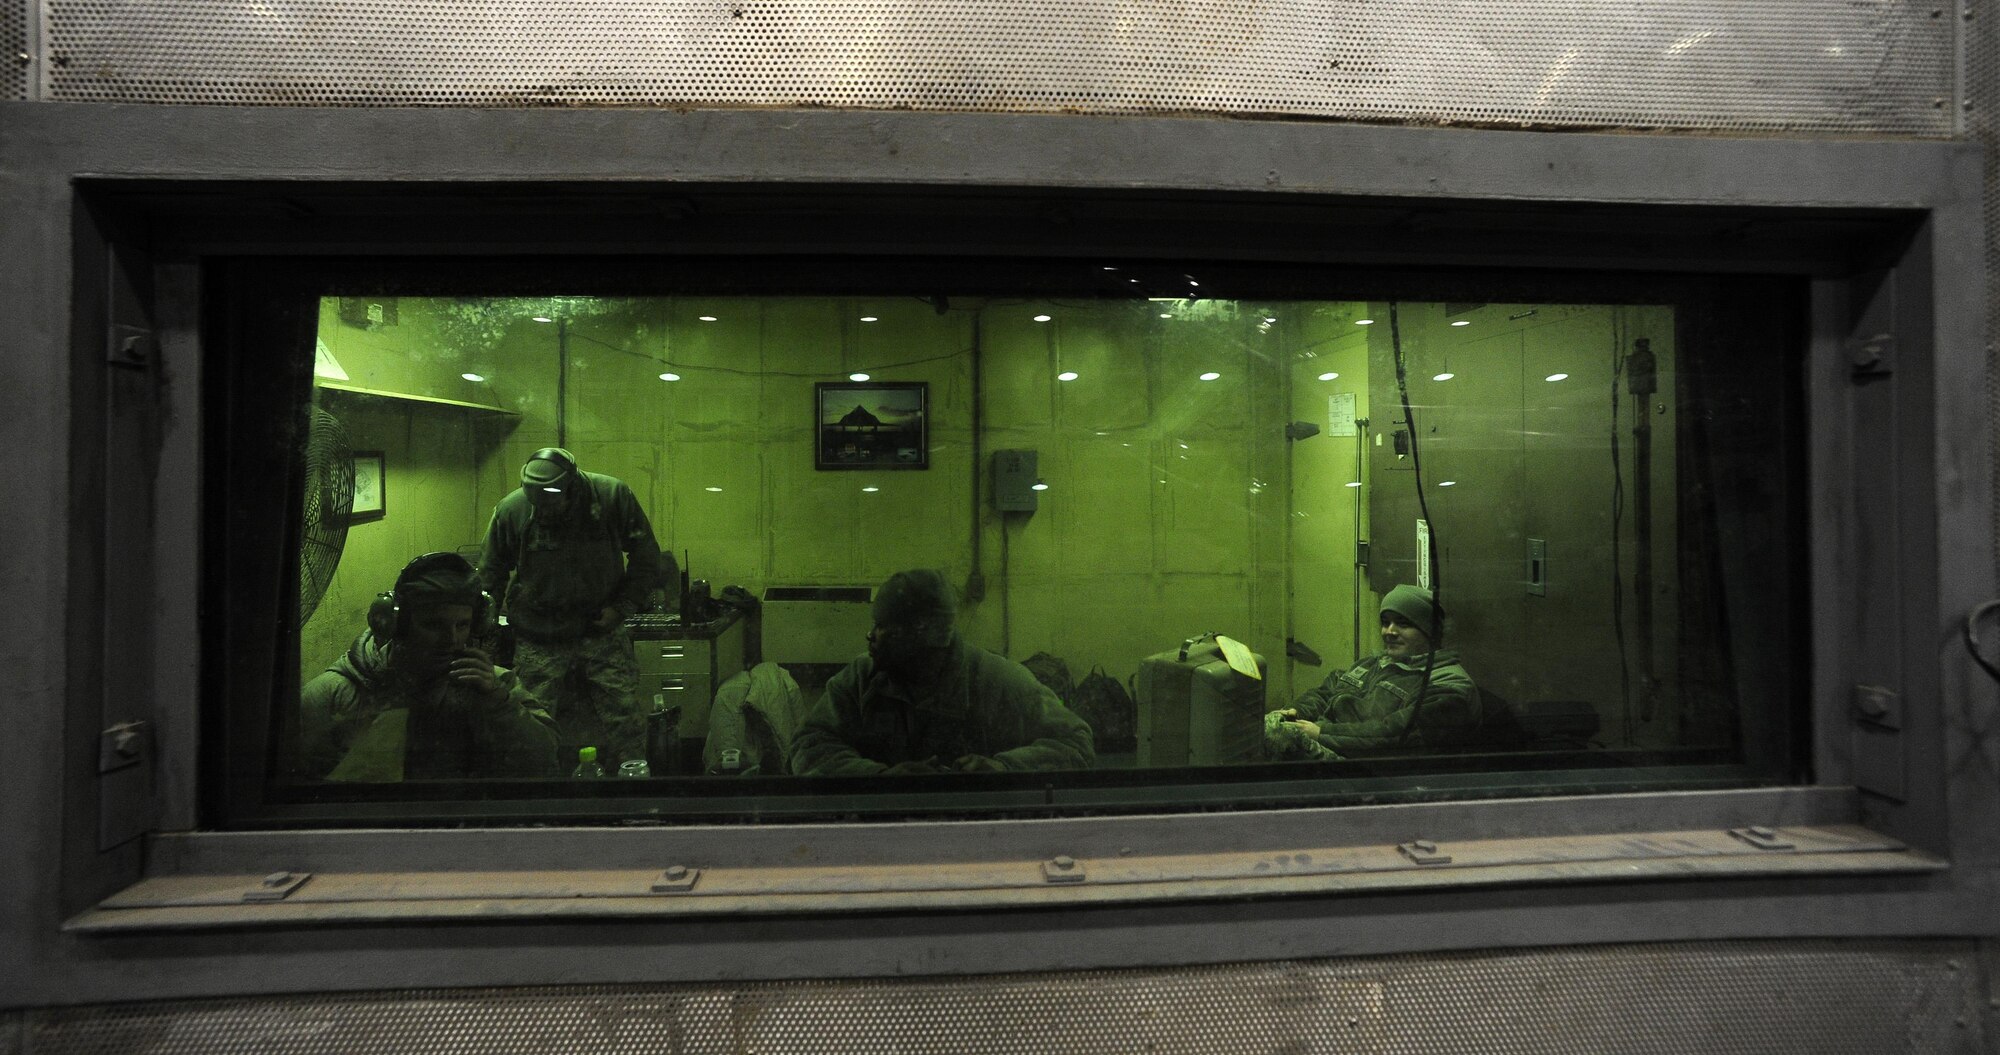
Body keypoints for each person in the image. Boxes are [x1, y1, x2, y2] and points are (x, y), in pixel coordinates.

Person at [791, 569, 1097, 776]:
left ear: (920, 632)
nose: (872, 635)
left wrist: (1003, 768)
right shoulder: (861, 678)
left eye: (884, 626)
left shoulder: (998, 681)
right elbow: (810, 743)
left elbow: (1076, 743)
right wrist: (878, 776)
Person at [477, 447, 664, 768]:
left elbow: (647, 557)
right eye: (538, 505)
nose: (545, 513)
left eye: (552, 504)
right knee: (530, 725)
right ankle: (540, 801)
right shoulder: (514, 510)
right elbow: (489, 575)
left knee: (625, 723)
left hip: (601, 630)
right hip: (539, 636)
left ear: (571, 487)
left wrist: (622, 608)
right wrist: (481, 634)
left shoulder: (610, 497)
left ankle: (632, 791)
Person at [298, 552, 560, 781]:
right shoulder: (332, 695)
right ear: (396, 625)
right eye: (434, 625)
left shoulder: (492, 685)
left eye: (463, 625)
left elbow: (545, 763)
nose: (452, 640)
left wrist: (499, 704)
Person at [1265, 584, 1482, 761]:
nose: (1390, 632)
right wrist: (1295, 711)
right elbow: (1327, 691)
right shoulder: (1373, 664)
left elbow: (1394, 734)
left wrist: (1320, 733)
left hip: (1370, 770)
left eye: (1403, 624)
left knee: (1278, 737)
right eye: (1386, 623)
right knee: (1268, 725)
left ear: (1430, 632)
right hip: (1331, 744)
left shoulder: (1449, 684)